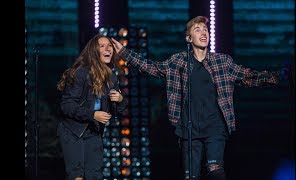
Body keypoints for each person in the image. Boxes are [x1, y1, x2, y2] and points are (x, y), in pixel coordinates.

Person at [111, 16, 282, 180]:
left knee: (216, 171)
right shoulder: (178, 62)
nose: (203, 33)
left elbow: (248, 76)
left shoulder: (222, 61)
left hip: (215, 126)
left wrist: (278, 76)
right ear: (189, 38)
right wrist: (125, 53)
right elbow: (152, 68)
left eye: (205, 29)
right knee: (191, 176)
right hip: (189, 128)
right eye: (197, 29)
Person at [56, 34, 128, 180]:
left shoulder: (112, 78)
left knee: (95, 175)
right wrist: (93, 114)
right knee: (77, 176)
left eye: (110, 46)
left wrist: (120, 100)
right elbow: (66, 105)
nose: (108, 49)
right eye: (102, 46)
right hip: (73, 131)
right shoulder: (81, 73)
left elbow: (117, 112)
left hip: (94, 131)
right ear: (94, 51)